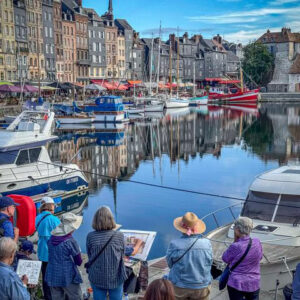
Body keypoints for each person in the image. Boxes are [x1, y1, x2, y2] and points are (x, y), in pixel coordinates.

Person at [166, 212, 212, 300]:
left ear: (181, 228)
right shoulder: (207, 243)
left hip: (180, 286)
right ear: (197, 228)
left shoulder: (175, 244)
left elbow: (170, 264)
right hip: (202, 285)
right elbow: (209, 262)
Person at [86, 206, 127, 300]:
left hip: (97, 276)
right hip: (116, 275)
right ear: (111, 219)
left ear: (95, 220)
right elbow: (122, 254)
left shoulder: (90, 236)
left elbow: (90, 255)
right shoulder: (119, 235)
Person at [222, 217, 263, 300]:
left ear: (237, 229)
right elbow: (260, 257)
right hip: (253, 283)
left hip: (236, 283)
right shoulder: (257, 241)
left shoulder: (236, 246)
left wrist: (235, 241)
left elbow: (225, 258)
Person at [46, 212, 83, 299]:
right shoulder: (70, 241)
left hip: (52, 273)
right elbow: (79, 261)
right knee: (76, 296)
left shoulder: (51, 239)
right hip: (67, 274)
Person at [35, 197, 60, 300]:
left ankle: (47, 296)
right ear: (50, 206)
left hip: (41, 250)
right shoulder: (54, 219)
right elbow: (61, 235)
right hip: (52, 252)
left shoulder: (38, 217)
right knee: (54, 277)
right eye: (53, 205)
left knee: (45, 276)